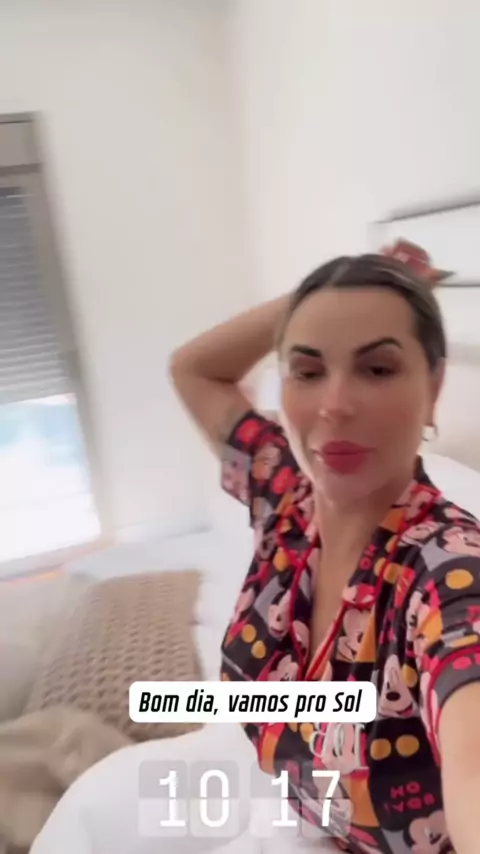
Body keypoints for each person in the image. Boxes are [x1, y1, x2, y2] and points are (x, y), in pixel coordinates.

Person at [170, 241, 480, 854]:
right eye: (308, 371)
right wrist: (330, 295)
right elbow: (194, 370)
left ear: (434, 386)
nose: (334, 405)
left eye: (378, 369)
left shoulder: (448, 570)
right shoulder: (286, 499)